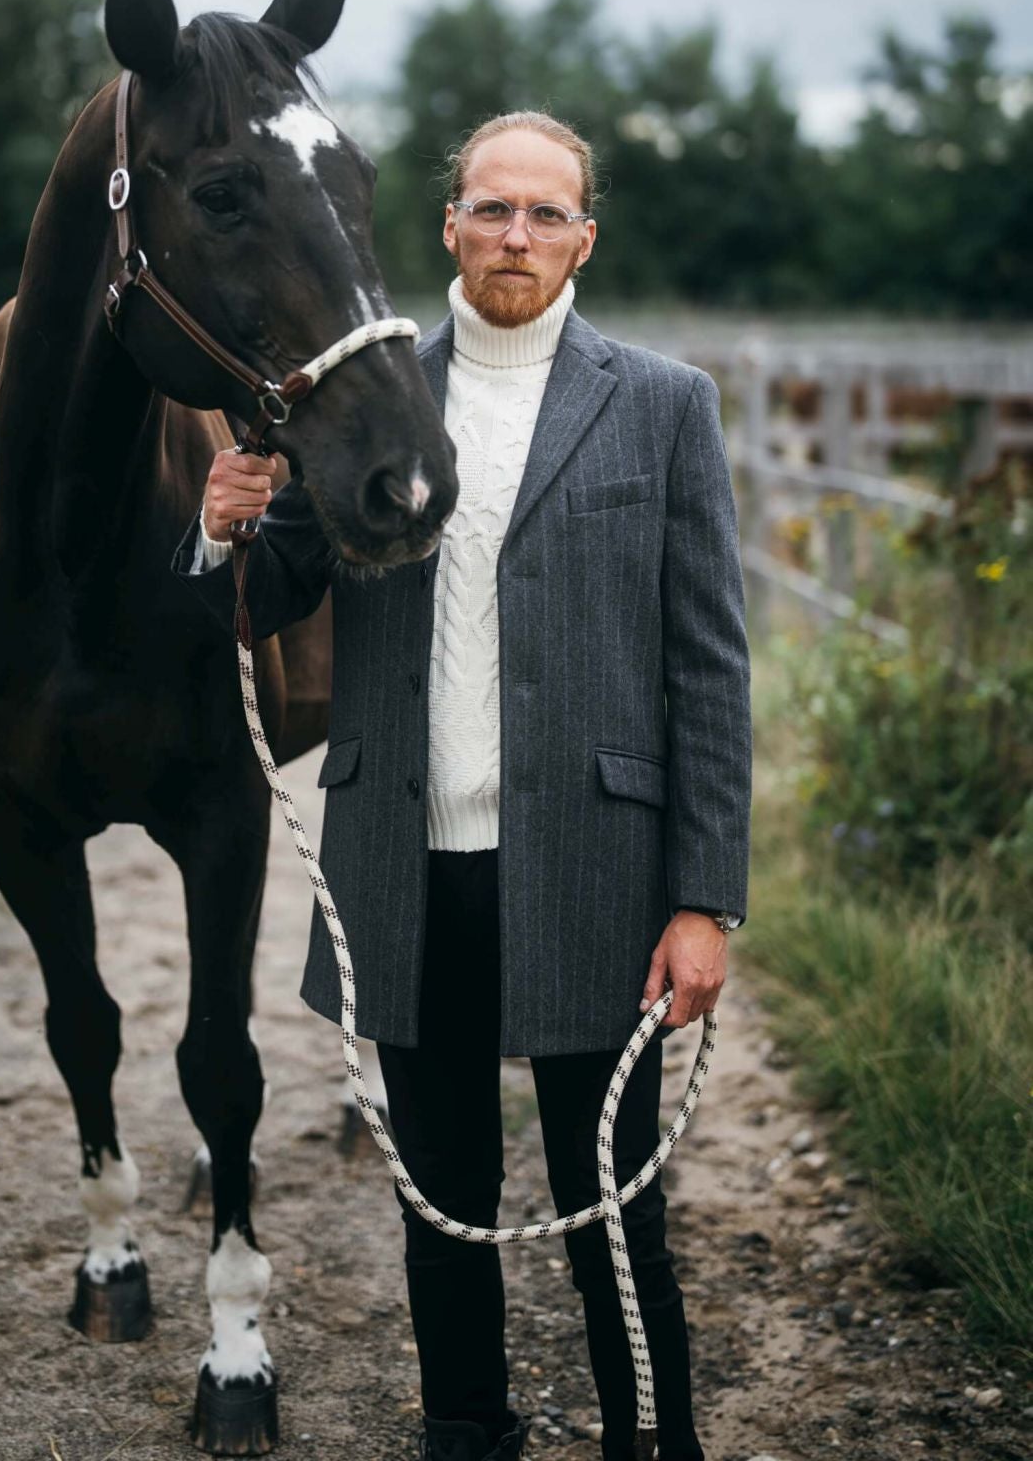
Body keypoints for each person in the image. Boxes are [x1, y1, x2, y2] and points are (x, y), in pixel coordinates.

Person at [172, 111, 752, 1461]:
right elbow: (272, 593)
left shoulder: (664, 406)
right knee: (441, 1208)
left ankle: (653, 1443)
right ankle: (467, 1437)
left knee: (616, 1211)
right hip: (406, 866)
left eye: (545, 214)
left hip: (599, 873)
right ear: (448, 227)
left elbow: (710, 670)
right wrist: (220, 533)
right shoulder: (361, 396)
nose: (515, 236)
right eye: (491, 208)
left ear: (583, 240)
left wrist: (704, 900)